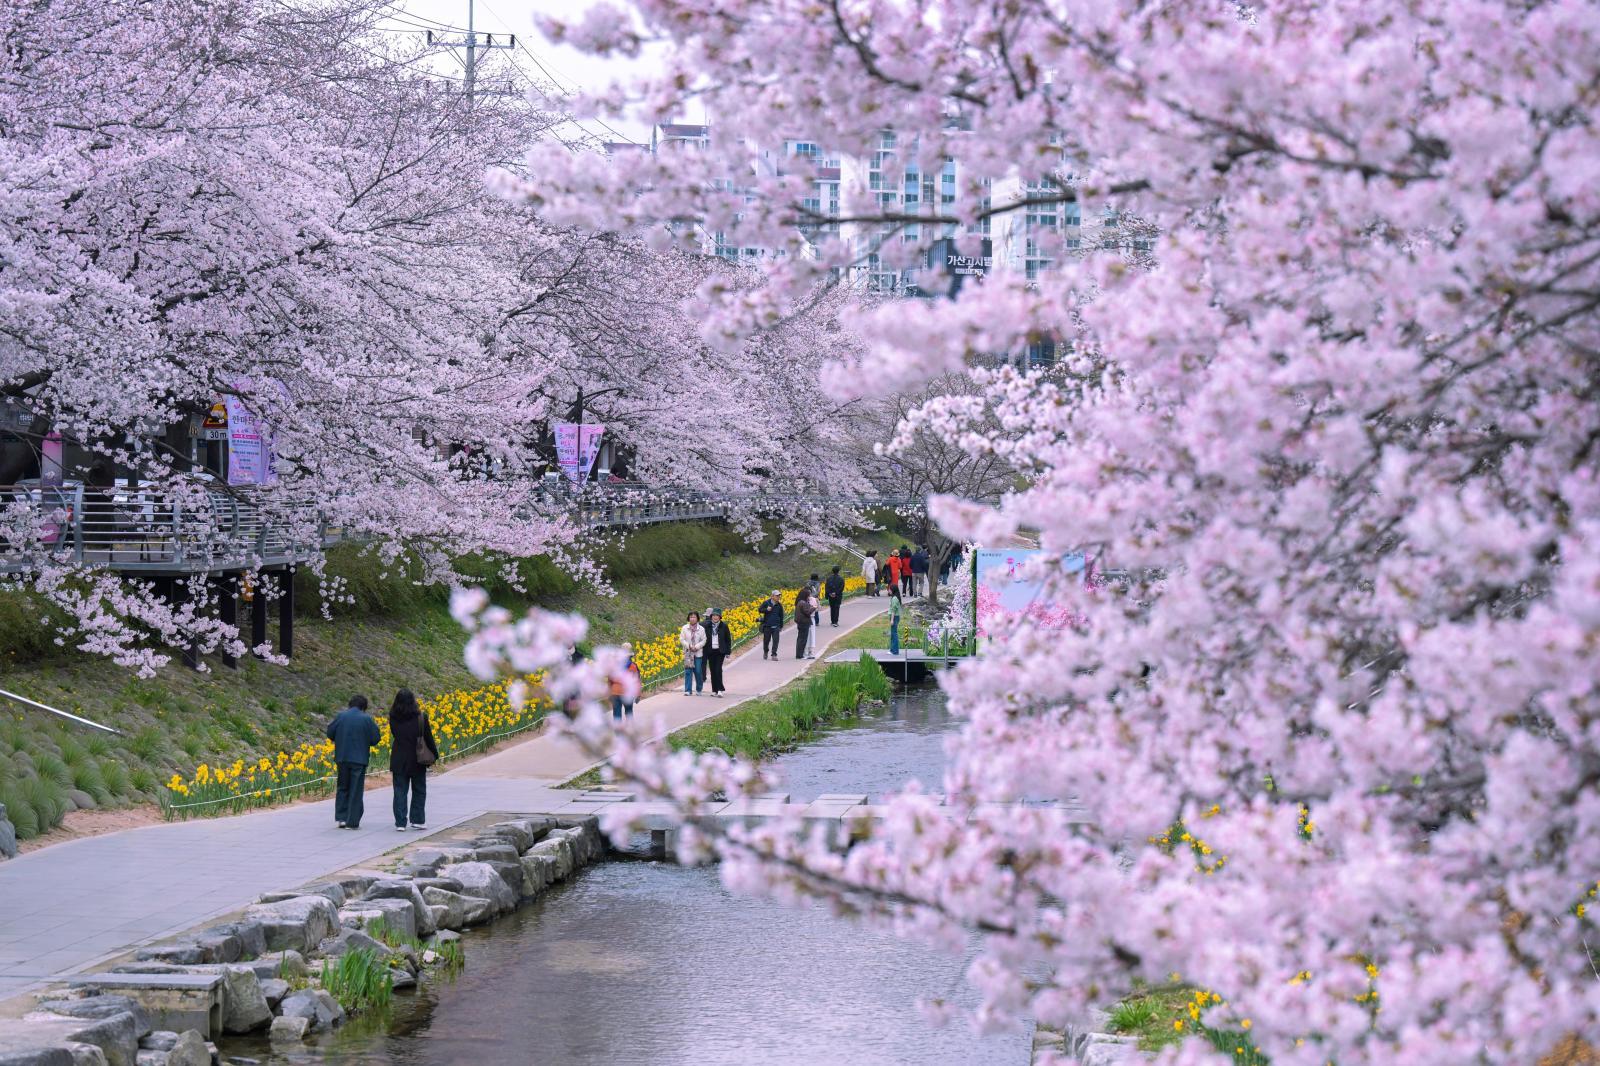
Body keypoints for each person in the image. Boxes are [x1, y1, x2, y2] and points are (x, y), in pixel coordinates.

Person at [326, 695, 380, 830]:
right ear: (364, 706)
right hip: (359, 759)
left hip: (342, 757)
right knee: (356, 789)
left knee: (343, 787)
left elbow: (330, 733)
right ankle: (352, 821)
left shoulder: (341, 716)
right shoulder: (366, 719)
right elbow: (375, 739)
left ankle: (341, 818)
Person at [388, 689, 438, 832]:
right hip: (417, 758)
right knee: (419, 790)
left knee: (399, 791)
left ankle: (400, 822)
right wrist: (434, 755)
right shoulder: (421, 717)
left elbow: (395, 735)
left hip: (399, 758)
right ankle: (418, 820)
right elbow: (428, 737)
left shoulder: (393, 717)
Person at [702, 610, 732, 696]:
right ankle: (715, 690)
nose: (715, 617)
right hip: (710, 651)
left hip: (720, 651)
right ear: (711, 617)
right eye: (713, 615)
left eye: (717, 616)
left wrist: (728, 652)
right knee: (712, 670)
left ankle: (720, 689)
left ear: (720, 617)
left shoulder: (724, 626)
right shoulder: (707, 626)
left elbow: (728, 639)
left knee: (718, 669)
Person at [679, 611, 706, 694]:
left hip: (698, 653)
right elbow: (681, 639)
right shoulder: (684, 628)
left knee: (698, 671)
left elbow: (704, 640)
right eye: (691, 617)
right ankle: (688, 690)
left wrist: (696, 647)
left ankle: (699, 689)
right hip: (688, 653)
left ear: (697, 618)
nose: (692, 619)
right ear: (688, 618)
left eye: (694, 617)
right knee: (688, 671)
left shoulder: (701, 629)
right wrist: (689, 646)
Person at [611, 644, 641, 719]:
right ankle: (629, 729)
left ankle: (618, 730)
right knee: (629, 712)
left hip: (616, 692)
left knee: (617, 714)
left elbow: (610, 679)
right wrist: (638, 694)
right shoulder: (633, 666)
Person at [758, 589, 784, 659]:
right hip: (767, 626)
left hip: (776, 626)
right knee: (766, 641)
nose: (778, 597)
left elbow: (781, 616)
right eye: (777, 596)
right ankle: (766, 651)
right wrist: (766, 610)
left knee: (776, 641)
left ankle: (774, 655)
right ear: (772, 596)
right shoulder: (766, 603)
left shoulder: (779, 605)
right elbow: (760, 610)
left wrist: (781, 626)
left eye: (779, 596)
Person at [794, 585, 816, 659]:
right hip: (804, 622)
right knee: (803, 639)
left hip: (800, 623)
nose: (809, 597)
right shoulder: (803, 603)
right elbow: (807, 612)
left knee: (800, 639)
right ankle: (800, 655)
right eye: (808, 595)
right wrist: (813, 608)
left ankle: (799, 654)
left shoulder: (799, 602)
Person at [888, 587, 904, 656]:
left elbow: (893, 610)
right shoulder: (895, 597)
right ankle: (892, 650)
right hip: (895, 617)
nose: (888, 590)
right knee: (893, 633)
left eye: (889, 589)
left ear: (892, 590)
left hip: (894, 618)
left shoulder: (894, 598)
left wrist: (892, 620)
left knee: (894, 634)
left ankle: (895, 651)